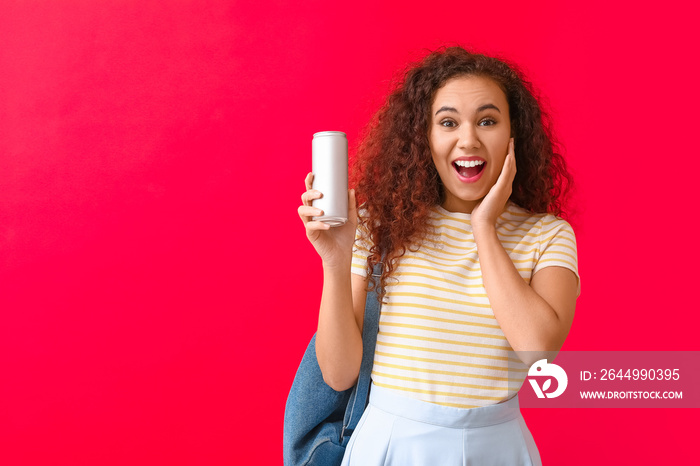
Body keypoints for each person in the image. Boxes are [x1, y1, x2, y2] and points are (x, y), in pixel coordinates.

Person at [297, 46, 580, 465]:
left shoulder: (547, 235)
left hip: (497, 448)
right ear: (423, 137)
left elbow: (537, 351)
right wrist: (335, 262)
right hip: (390, 446)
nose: (468, 139)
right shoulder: (381, 225)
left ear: (513, 134)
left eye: (488, 120)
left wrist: (484, 227)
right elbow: (339, 375)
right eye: (448, 122)